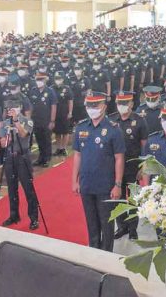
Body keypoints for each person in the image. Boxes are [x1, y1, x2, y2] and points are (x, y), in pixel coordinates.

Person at [72, 92, 125, 251]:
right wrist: (74, 180)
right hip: (86, 185)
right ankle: (94, 251)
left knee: (107, 225)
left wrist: (118, 184)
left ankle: (106, 254)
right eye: (89, 105)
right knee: (92, 224)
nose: (92, 109)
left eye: (95, 105)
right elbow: (77, 155)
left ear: (104, 106)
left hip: (106, 187)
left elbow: (119, 158)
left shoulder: (114, 129)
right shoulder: (81, 128)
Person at [109, 92, 148, 241]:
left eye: (125, 103)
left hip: (133, 167)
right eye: (119, 103)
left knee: (132, 199)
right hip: (115, 168)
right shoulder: (112, 119)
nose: (122, 106)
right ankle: (122, 226)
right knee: (118, 199)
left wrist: (143, 167)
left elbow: (145, 146)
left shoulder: (139, 121)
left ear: (132, 104)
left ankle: (133, 229)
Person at [0, 99, 39, 230]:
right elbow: (2, 142)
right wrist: (6, 140)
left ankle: (33, 218)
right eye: (9, 108)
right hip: (10, 157)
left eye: (14, 107)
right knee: (11, 189)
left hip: (23, 157)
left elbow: (23, 134)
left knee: (28, 188)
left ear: (20, 107)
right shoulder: (5, 123)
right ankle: (14, 215)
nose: (12, 109)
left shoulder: (27, 121)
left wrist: (16, 122)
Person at [29, 72, 57, 167]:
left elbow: (53, 106)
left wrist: (52, 120)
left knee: (46, 140)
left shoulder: (50, 91)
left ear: (45, 80)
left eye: (41, 79)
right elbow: (30, 106)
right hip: (36, 120)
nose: (39, 81)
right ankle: (40, 158)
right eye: (37, 79)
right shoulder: (33, 91)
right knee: (39, 139)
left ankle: (47, 159)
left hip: (46, 120)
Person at [52, 71, 73, 157]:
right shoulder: (51, 88)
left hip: (64, 113)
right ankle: (58, 148)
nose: (58, 80)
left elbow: (70, 101)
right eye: (56, 79)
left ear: (63, 80)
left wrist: (70, 112)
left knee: (65, 132)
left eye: (59, 79)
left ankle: (64, 148)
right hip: (55, 114)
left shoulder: (67, 89)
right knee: (57, 132)